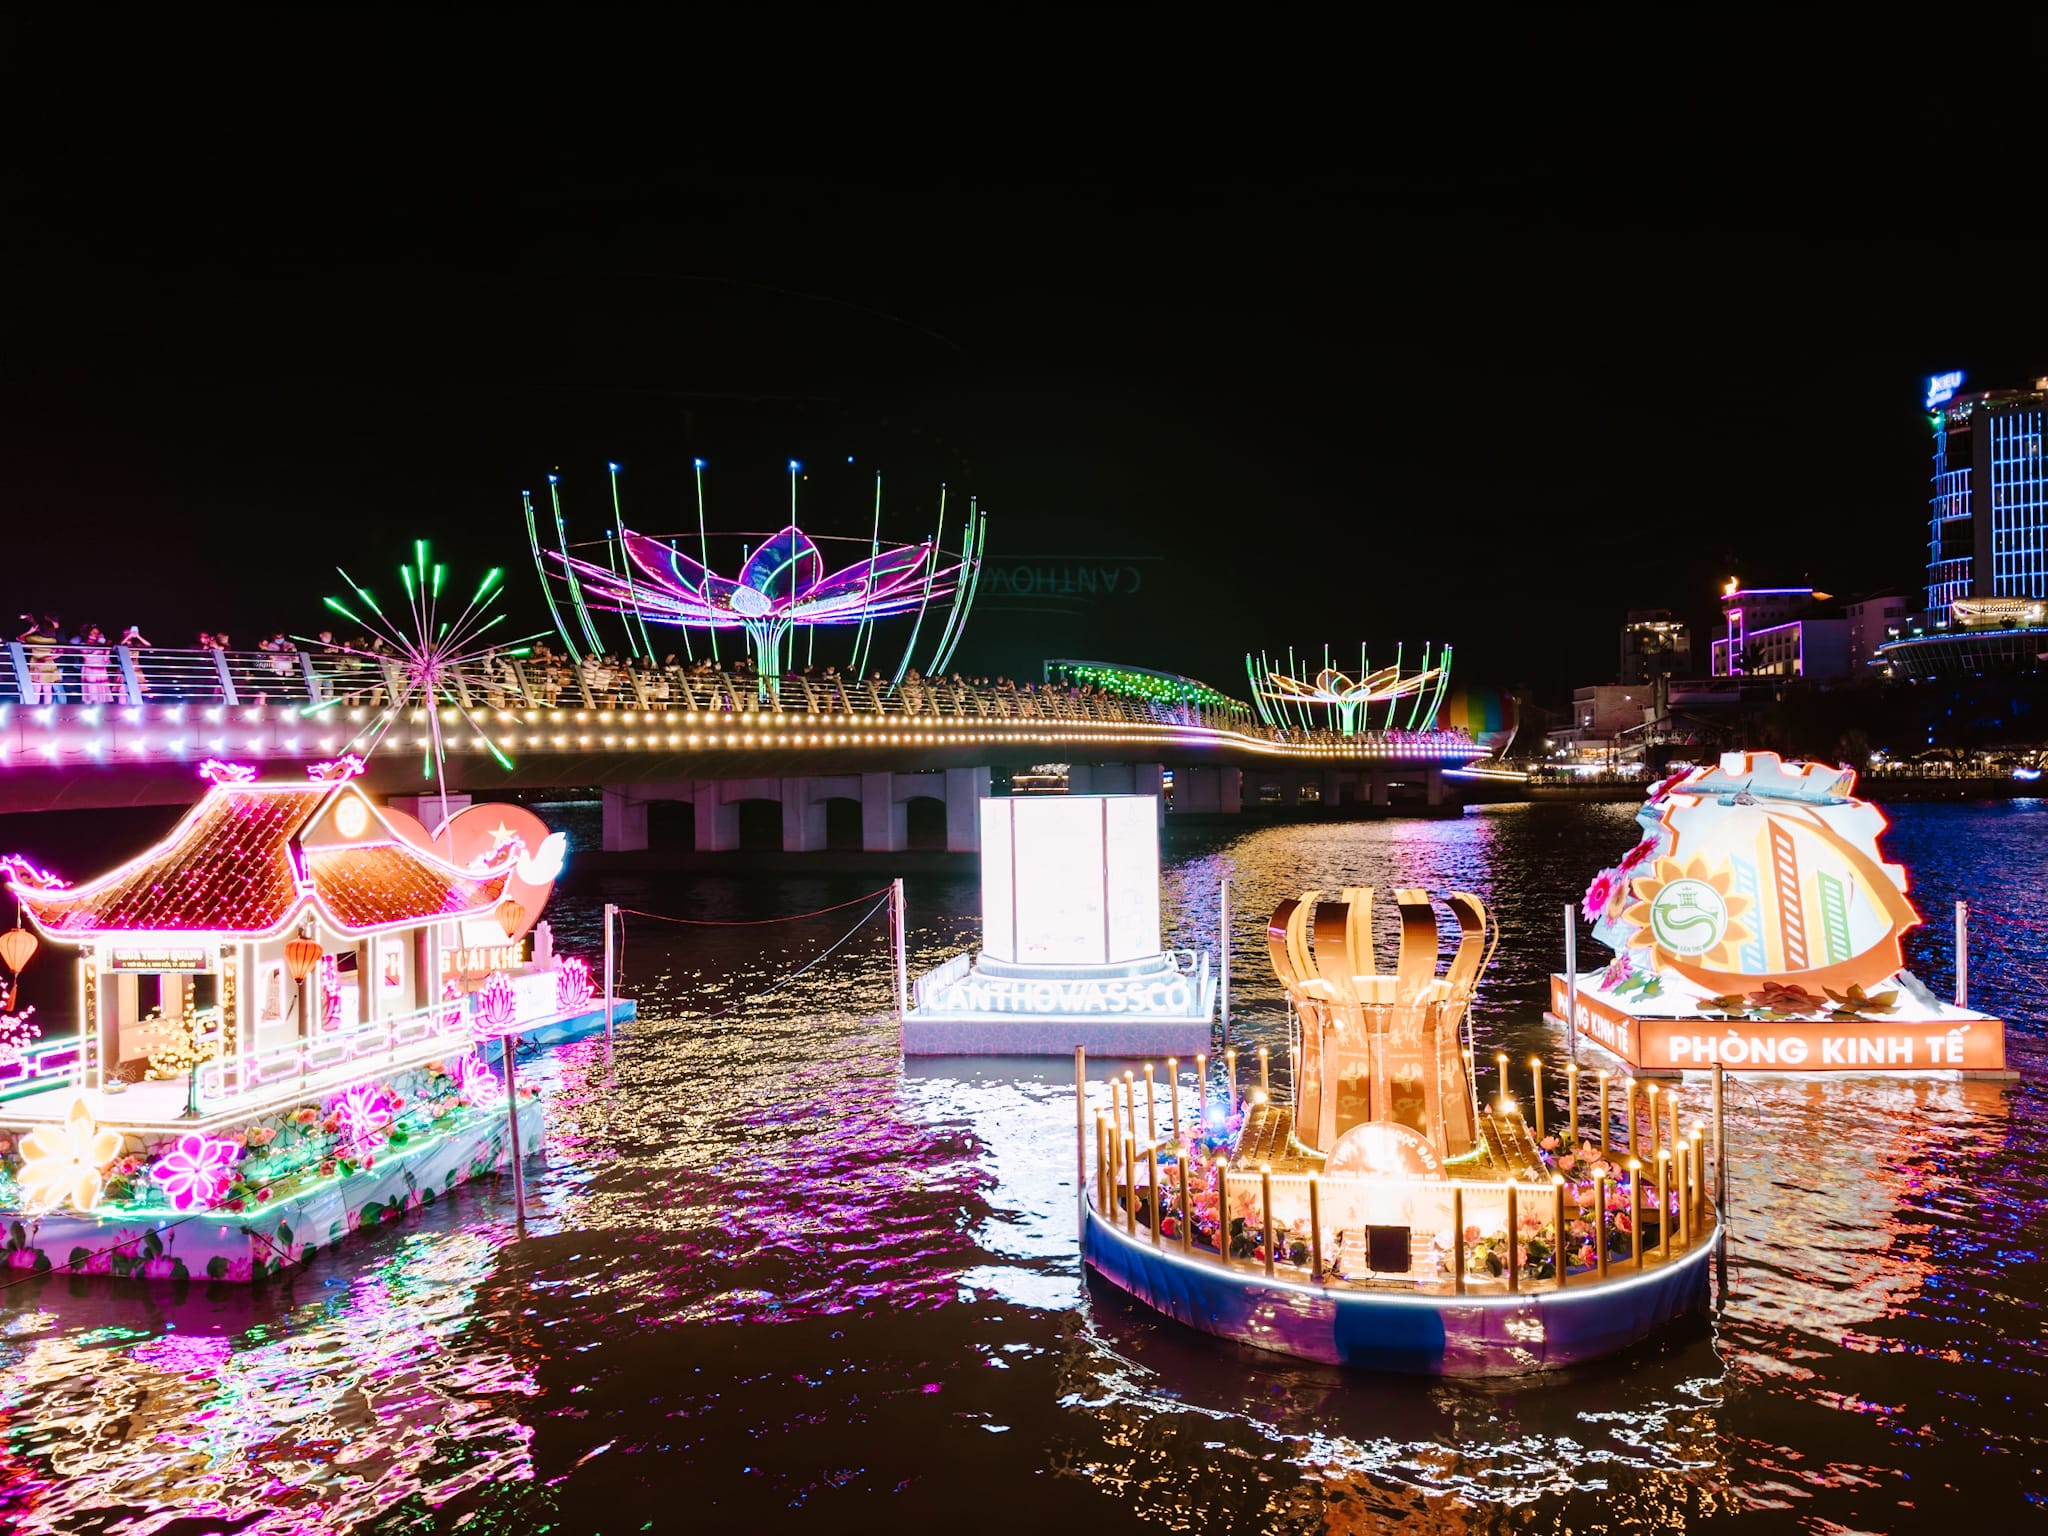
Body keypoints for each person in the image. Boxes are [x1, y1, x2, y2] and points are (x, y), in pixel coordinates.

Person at [79, 625, 114, 703]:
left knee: (100, 694)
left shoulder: (100, 644)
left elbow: (106, 659)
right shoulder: (83, 644)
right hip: (89, 668)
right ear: (88, 633)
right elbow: (86, 658)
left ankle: (99, 711)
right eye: (93, 632)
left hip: (100, 669)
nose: (95, 634)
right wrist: (97, 650)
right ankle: (88, 711)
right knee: (91, 690)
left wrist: (107, 648)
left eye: (97, 633)